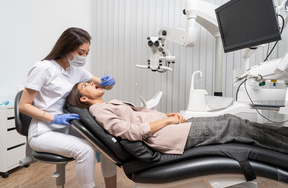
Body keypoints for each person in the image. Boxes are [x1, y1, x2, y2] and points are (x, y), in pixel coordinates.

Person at [66, 81, 288, 155]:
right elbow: (129, 132)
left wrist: (166, 115)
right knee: (234, 126)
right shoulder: (99, 111)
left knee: (232, 119)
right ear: (84, 99)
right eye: (87, 85)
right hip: (168, 136)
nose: (94, 83)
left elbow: (137, 119)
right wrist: (167, 121)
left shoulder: (106, 105)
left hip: (170, 128)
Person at [19, 27, 117, 188]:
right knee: (85, 151)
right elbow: (23, 106)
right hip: (43, 131)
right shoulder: (43, 68)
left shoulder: (76, 71)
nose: (84, 57)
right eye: (80, 52)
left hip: (67, 127)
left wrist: (110, 82)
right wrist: (54, 117)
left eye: (87, 53)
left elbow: (104, 86)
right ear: (66, 48)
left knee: (106, 144)